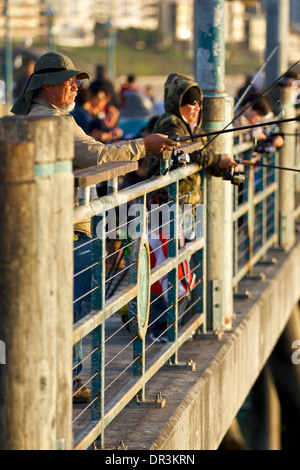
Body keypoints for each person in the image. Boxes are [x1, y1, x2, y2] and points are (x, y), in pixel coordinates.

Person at [11, 51, 178, 402]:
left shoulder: (36, 117)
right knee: (74, 307)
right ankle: (67, 381)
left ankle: (54, 378)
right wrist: (144, 146)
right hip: (68, 229)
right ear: (45, 86)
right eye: (68, 81)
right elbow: (97, 156)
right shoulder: (52, 121)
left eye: (77, 81)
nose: (76, 86)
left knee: (56, 306)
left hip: (46, 227)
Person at [146, 73, 238, 341]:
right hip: (167, 206)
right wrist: (217, 157)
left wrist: (221, 166)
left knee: (179, 266)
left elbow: (195, 159)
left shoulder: (187, 126)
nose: (197, 108)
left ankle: (173, 327)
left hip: (184, 207)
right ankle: (162, 330)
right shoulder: (171, 123)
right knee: (168, 270)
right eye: (191, 103)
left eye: (199, 103)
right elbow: (183, 150)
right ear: (177, 103)